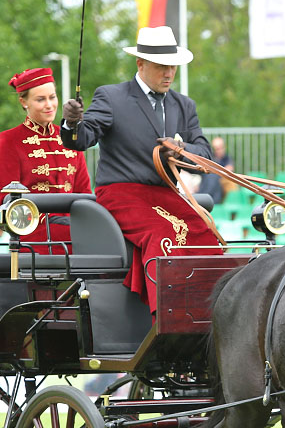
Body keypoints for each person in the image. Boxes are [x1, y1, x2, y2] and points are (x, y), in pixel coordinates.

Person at [61, 26, 221, 308]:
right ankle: (169, 317)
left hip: (167, 195)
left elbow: (205, 154)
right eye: (161, 66)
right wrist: (72, 123)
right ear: (141, 64)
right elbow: (82, 140)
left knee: (208, 236)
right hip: (121, 194)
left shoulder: (184, 105)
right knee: (163, 236)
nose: (169, 73)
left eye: (172, 66)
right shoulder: (112, 97)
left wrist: (180, 150)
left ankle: (209, 315)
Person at [0, 67, 91, 254]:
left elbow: (84, 192)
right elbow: (5, 198)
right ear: (24, 102)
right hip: (34, 234)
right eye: (41, 99)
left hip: (74, 229)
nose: (49, 105)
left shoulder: (70, 137)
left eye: (52, 97)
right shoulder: (10, 140)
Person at [197, 136, 235, 204]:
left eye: (219, 148)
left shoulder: (227, 158)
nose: (218, 150)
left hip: (221, 179)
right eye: (216, 148)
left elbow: (230, 169)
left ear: (223, 147)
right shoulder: (211, 157)